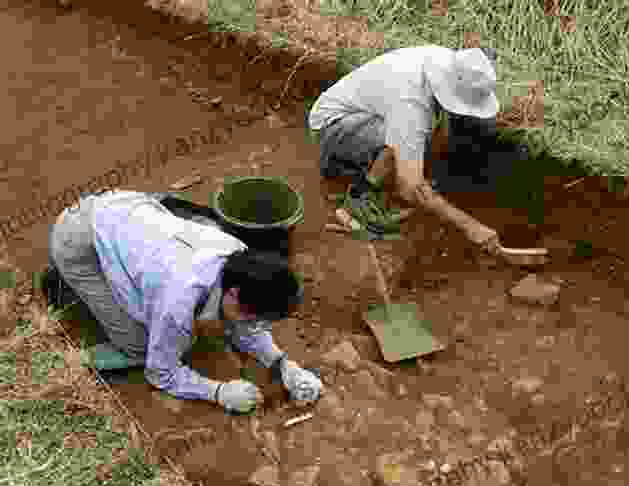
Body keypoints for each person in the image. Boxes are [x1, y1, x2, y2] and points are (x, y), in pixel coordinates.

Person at [47, 189, 322, 414]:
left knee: (205, 323)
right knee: (142, 346)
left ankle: (114, 273)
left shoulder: (242, 257)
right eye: (252, 315)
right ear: (234, 294)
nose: (253, 325)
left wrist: (284, 365)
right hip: (78, 240)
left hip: (127, 211)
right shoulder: (177, 303)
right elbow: (160, 373)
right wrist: (218, 392)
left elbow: (247, 328)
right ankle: (69, 283)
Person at [308, 45, 502, 250]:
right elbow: (409, 188)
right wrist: (470, 226)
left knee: (414, 140)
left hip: (365, 112)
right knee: (404, 146)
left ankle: (377, 170)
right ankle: (360, 199)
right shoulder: (410, 104)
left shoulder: (449, 63)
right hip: (332, 127)